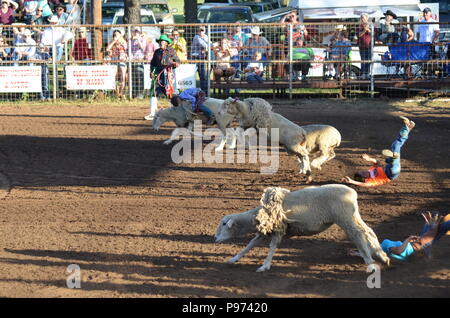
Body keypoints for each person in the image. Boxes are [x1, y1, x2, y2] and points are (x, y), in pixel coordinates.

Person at [342, 116, 415, 187]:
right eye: (362, 174)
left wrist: (369, 159)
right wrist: (352, 181)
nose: (364, 171)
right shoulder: (371, 181)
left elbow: (377, 163)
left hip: (388, 167)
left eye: (361, 171)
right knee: (393, 161)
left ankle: (407, 128)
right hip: (391, 174)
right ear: (364, 179)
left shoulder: (370, 170)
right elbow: (365, 185)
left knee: (395, 145)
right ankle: (393, 158)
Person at [348, 212, 450, 261]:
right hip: (415, 247)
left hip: (417, 250)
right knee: (438, 227)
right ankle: (432, 225)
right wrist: (408, 239)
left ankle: (430, 225)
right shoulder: (384, 245)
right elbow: (398, 251)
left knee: (434, 227)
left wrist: (357, 253)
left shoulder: (378, 252)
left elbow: (369, 253)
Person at [107, 29, 128, 98]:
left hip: (122, 59)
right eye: (114, 34)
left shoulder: (123, 41)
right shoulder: (112, 42)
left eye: (117, 34)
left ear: (120, 35)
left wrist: (121, 42)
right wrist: (114, 41)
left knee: (123, 76)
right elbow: (107, 49)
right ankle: (117, 93)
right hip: (114, 59)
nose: (116, 36)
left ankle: (122, 93)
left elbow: (126, 48)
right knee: (114, 76)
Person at [191, 26, 210, 92]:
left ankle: (204, 91)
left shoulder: (206, 37)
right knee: (193, 75)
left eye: (202, 30)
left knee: (203, 75)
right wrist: (208, 47)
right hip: (196, 58)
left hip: (202, 58)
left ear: (205, 31)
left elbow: (210, 44)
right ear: (197, 31)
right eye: (200, 30)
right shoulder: (197, 37)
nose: (201, 32)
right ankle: (194, 91)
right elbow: (205, 45)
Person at [130, 27, 146, 99]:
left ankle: (140, 95)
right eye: (135, 31)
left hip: (139, 61)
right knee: (133, 79)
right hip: (132, 61)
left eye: (137, 32)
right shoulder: (130, 40)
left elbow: (143, 47)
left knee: (140, 78)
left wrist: (138, 39)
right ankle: (134, 94)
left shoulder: (142, 39)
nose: (136, 33)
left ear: (140, 33)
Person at [357, 13, 373, 80]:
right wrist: (364, 30)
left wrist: (368, 30)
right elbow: (359, 35)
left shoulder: (371, 25)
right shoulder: (359, 26)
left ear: (367, 19)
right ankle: (363, 74)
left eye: (364, 18)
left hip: (369, 46)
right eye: (362, 18)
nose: (363, 19)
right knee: (363, 60)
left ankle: (368, 74)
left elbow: (373, 34)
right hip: (362, 46)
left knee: (368, 60)